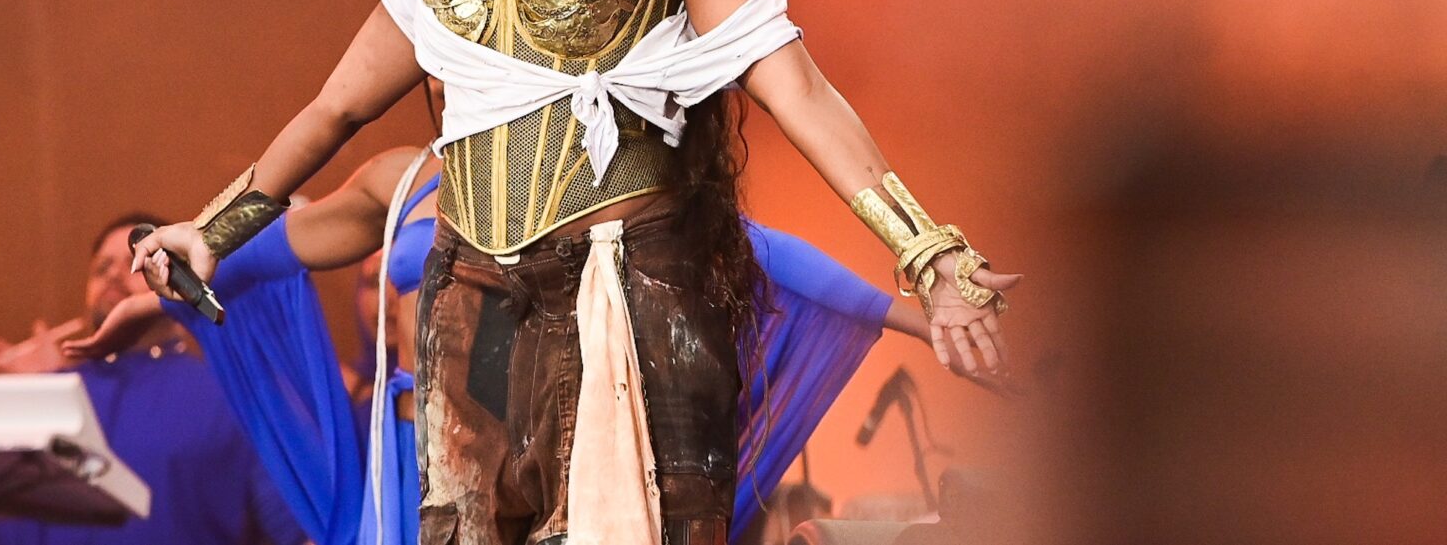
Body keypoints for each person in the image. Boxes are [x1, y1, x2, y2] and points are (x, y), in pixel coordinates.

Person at [130, 0, 1021, 545]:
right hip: (473, 299)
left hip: (630, 291)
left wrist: (930, 253)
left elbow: (799, 88)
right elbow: (336, 107)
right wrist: (212, 231)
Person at [72, 146, 939, 545]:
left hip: (542, 458)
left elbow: (763, 251)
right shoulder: (407, 177)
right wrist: (158, 304)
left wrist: (921, 310)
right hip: (411, 461)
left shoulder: (587, 180)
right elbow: (269, 250)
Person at [0, 216, 307, 545]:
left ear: (184, 280)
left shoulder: (232, 394)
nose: (114, 275)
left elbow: (300, 530)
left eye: (136, 259)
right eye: (102, 268)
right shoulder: (44, 397)